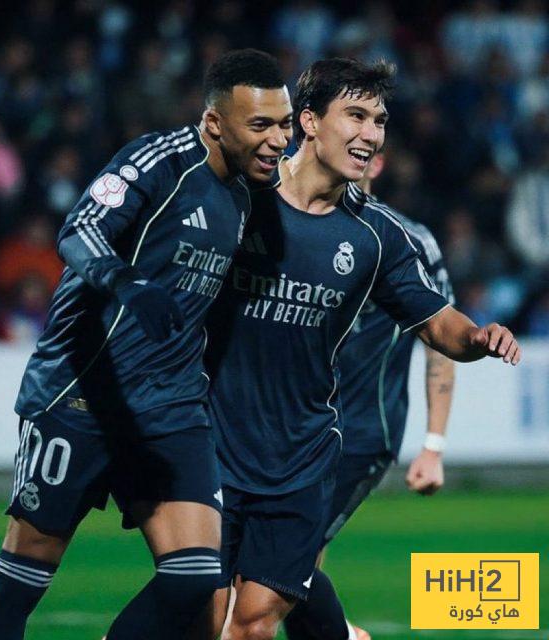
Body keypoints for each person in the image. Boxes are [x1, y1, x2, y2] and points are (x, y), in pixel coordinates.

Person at [0, 48, 293, 640]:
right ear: (215, 122)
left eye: (285, 124)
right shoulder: (159, 162)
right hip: (80, 397)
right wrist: (125, 281)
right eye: (261, 125)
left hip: (170, 408)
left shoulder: (250, 195)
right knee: (21, 580)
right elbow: (80, 230)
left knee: (196, 577)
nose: (278, 140)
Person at [201, 57, 520, 640]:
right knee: (202, 616)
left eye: (379, 121)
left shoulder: (380, 235)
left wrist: (476, 338)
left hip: (304, 456)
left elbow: (437, 324)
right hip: (213, 446)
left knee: (252, 622)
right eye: (356, 115)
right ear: (309, 122)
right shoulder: (236, 199)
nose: (371, 133)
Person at [283, 153, 456, 640]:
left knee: (286, 561)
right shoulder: (293, 224)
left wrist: (434, 445)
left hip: (362, 431)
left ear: (377, 163)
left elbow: (440, 341)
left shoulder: (409, 240)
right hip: (297, 426)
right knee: (286, 566)